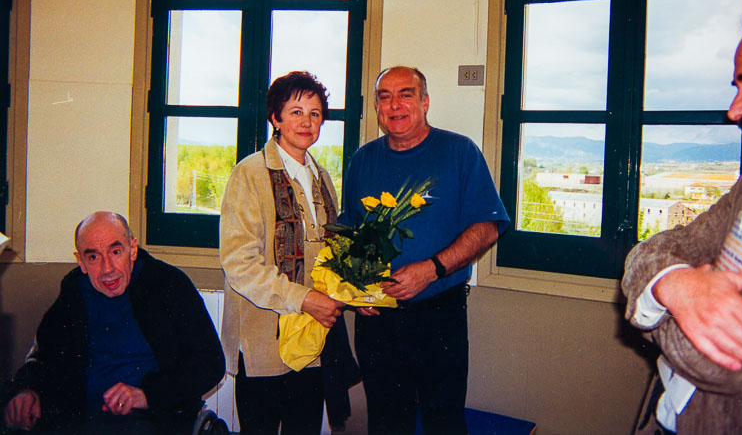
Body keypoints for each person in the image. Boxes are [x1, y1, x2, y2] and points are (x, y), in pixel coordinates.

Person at [623, 0, 742, 434]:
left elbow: (723, 361)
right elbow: (656, 248)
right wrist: (676, 282)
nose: (735, 110)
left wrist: (655, 295)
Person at [339, 66, 510, 435]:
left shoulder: (459, 151)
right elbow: (348, 233)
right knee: (385, 423)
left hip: (438, 318)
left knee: (443, 422)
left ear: (425, 102)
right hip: (377, 321)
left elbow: (488, 225)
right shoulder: (362, 159)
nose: (395, 105)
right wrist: (354, 290)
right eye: (385, 97)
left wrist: (433, 268)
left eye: (405, 94)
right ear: (377, 108)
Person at [1, 211, 225, 434]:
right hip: (79, 413)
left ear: (133, 249)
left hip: (153, 414)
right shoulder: (74, 289)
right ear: (81, 261)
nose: (107, 269)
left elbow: (211, 363)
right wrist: (27, 389)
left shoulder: (168, 285)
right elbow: (44, 355)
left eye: (116, 251)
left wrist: (147, 395)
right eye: (94, 257)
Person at [219, 71, 350, 435]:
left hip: (310, 343)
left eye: (315, 113)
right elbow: (239, 265)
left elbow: (330, 258)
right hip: (263, 342)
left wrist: (354, 294)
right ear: (275, 119)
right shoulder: (249, 174)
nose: (306, 122)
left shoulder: (322, 178)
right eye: (295, 112)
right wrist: (303, 299)